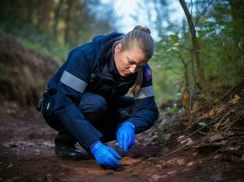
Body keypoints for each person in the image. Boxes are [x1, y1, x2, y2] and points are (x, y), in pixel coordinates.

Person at [39, 25, 159, 169]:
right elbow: (65, 103)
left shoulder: (142, 71)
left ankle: (90, 138)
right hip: (56, 105)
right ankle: (66, 143)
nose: (133, 70)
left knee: (131, 111)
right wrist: (94, 145)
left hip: (98, 105)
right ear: (118, 48)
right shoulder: (85, 56)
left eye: (139, 65)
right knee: (96, 103)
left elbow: (149, 109)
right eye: (131, 62)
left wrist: (131, 124)